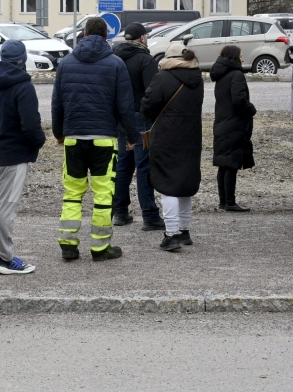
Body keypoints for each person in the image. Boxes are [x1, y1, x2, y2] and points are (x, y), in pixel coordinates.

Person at [52, 17, 139, 262]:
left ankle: (68, 244)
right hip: (104, 139)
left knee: (72, 192)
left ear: (85, 33)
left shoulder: (66, 63)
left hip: (73, 138)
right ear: (106, 37)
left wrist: (60, 134)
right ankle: (100, 247)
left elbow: (57, 104)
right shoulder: (115, 64)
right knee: (103, 194)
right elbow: (125, 105)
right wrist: (131, 136)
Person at [0, 40, 46, 275]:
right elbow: (31, 125)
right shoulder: (24, 88)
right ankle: (6, 258)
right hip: (14, 156)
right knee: (7, 208)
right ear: (22, 60)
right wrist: (38, 142)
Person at [140, 42, 204, 252]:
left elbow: (147, 106)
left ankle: (171, 234)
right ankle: (184, 231)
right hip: (192, 135)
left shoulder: (163, 78)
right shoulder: (198, 79)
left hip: (167, 136)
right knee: (185, 184)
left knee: (168, 185)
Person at [112, 22, 162, 230]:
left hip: (121, 117)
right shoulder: (145, 59)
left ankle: (120, 213)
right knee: (143, 166)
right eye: (146, 36)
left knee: (123, 166)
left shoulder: (115, 59)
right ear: (142, 38)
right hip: (141, 117)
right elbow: (152, 91)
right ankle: (149, 216)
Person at [210, 45, 256, 212]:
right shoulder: (236, 75)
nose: (243, 57)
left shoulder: (221, 75)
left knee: (223, 164)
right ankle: (230, 202)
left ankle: (223, 201)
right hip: (234, 124)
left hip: (221, 122)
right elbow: (239, 100)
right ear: (235, 56)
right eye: (241, 54)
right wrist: (251, 109)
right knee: (231, 164)